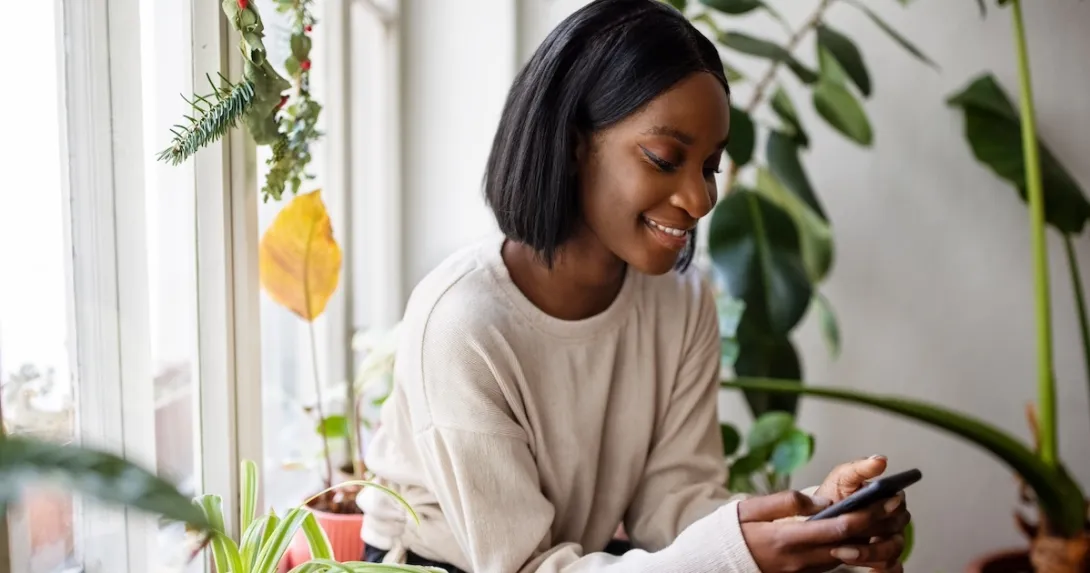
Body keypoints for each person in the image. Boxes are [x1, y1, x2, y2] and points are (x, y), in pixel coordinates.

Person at [357, 0, 911, 571]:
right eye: (665, 158)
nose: (700, 200)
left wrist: (809, 518)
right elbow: (522, 565)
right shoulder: (462, 324)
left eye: (710, 166)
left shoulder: (683, 301)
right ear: (574, 145)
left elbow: (677, 506)